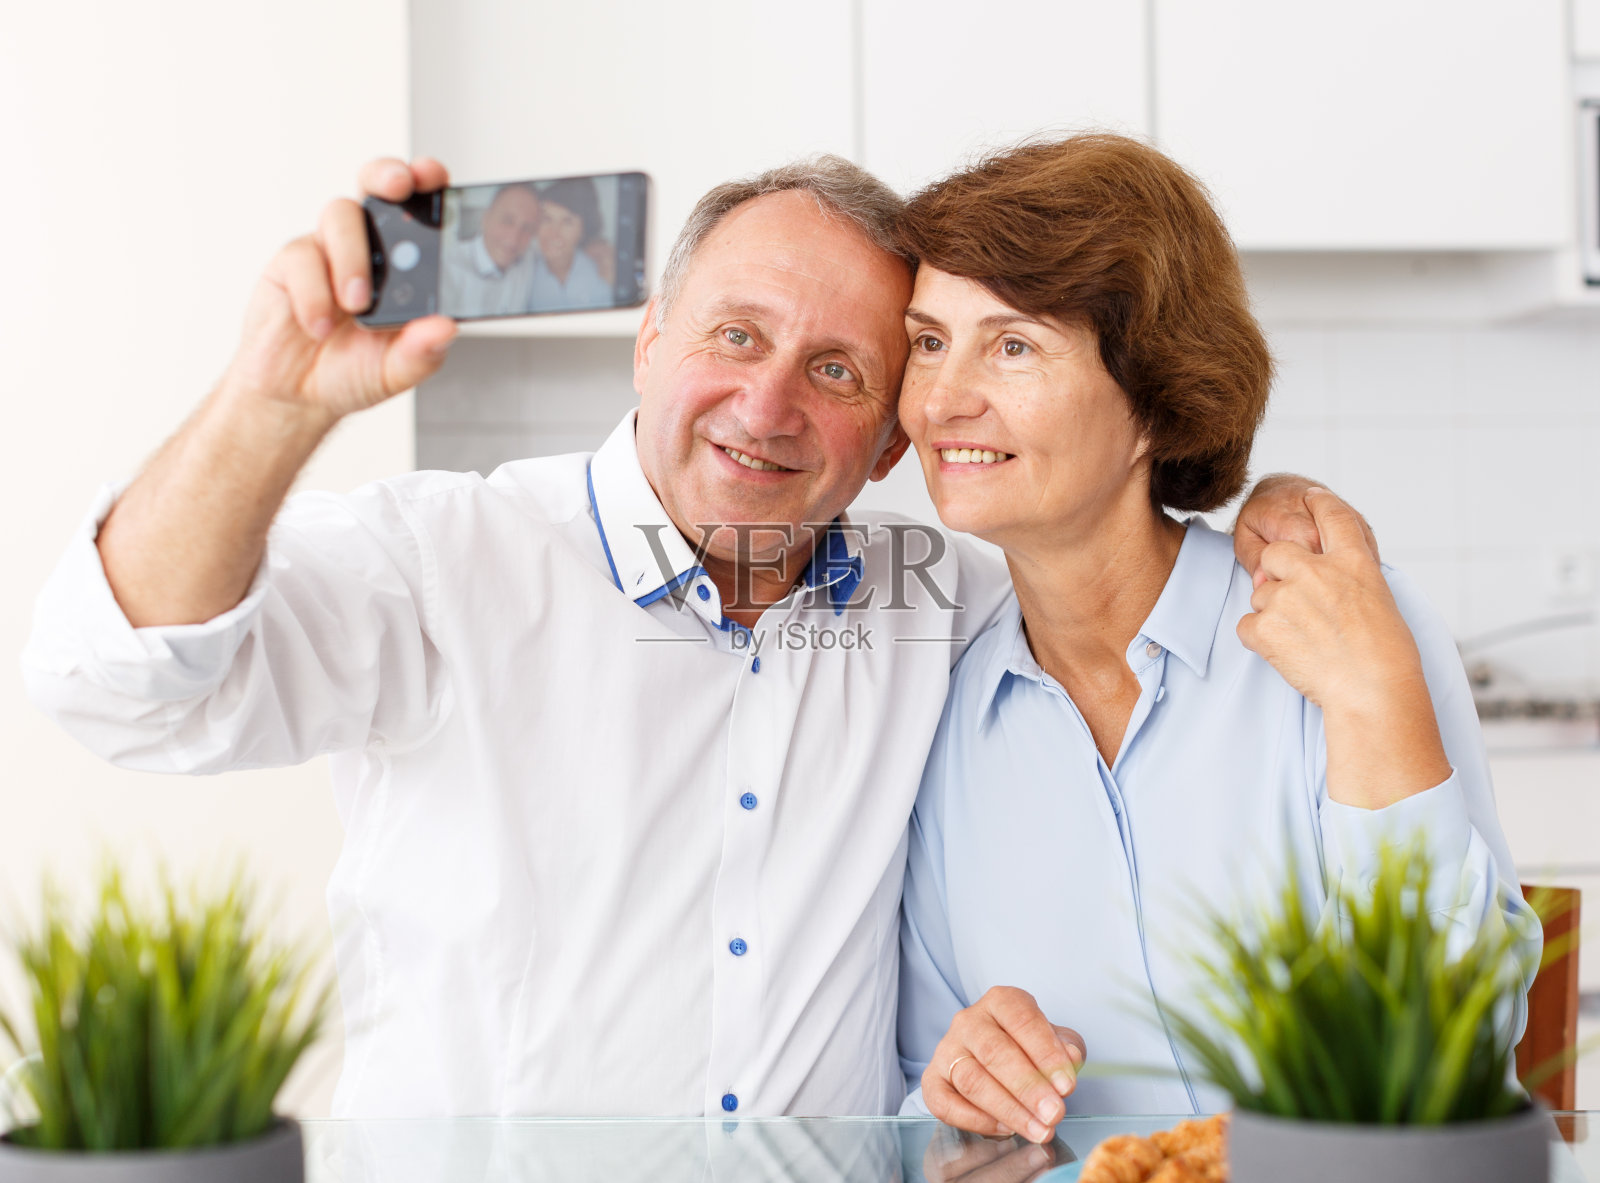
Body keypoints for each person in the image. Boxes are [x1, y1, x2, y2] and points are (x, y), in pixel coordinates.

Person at [23, 151, 1331, 1120]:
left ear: (891, 441)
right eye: (734, 334)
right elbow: (119, 681)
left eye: (836, 369)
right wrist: (271, 401)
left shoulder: (940, 604)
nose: (765, 403)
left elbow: (1130, 614)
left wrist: (1271, 519)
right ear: (648, 346)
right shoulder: (447, 563)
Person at [890, 134, 1541, 1142]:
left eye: (1012, 344)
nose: (938, 400)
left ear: (1152, 400)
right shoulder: (936, 720)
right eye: (928, 341)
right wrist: (957, 1086)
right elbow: (920, 1102)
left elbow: (1451, 1055)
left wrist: (1375, 700)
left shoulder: (1344, 631)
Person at [440, 181, 542, 316]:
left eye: (527, 228)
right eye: (507, 221)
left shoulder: (529, 259)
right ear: (485, 218)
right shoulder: (446, 270)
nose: (514, 239)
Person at [528, 176, 615, 310]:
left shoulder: (602, 270)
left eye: (567, 221)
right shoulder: (524, 273)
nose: (554, 233)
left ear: (583, 229)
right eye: (547, 219)